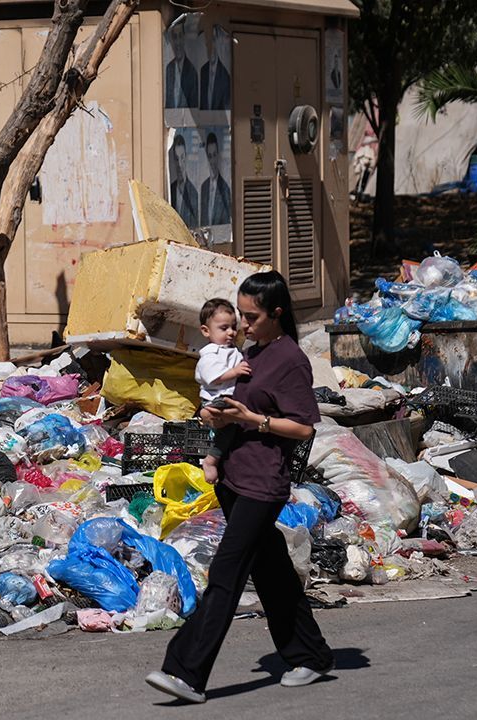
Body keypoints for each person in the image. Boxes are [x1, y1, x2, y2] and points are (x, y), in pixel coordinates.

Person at [146, 271, 334, 703]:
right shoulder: (254, 351)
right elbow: (229, 399)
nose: (243, 325)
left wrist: (254, 421)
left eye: (251, 316)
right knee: (271, 572)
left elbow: (303, 427)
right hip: (233, 476)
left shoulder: (290, 359)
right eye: (241, 315)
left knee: (226, 576)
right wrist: (218, 415)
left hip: (262, 485)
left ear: (277, 314)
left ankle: (186, 672)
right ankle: (312, 653)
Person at [194, 298, 251, 485]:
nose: (231, 332)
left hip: (230, 398)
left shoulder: (232, 349)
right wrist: (234, 372)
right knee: (229, 430)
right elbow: (213, 377)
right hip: (216, 400)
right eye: (224, 328)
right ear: (206, 331)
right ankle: (211, 461)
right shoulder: (210, 354)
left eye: (233, 327)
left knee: (237, 428)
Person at [199, 132, 232, 227]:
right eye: (209, 156)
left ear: (218, 155)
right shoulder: (204, 187)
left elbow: (226, 224)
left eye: (214, 155)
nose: (212, 161)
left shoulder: (225, 189)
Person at [164, 21, 198, 109]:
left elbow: (194, 107)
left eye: (180, 36)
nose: (178, 42)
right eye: (175, 37)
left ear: (184, 39)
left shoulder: (192, 71)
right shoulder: (169, 68)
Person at [169, 134, 199, 227]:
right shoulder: (171, 189)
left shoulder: (193, 193)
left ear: (186, 158)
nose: (180, 164)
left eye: (182, 158)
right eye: (177, 159)